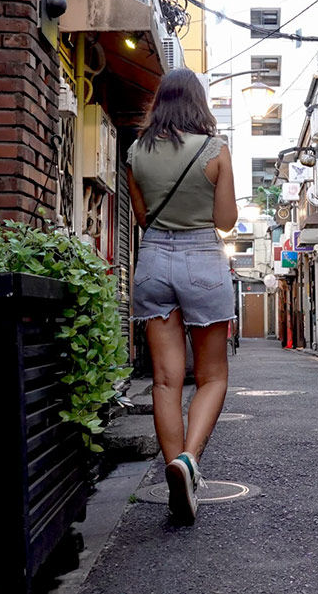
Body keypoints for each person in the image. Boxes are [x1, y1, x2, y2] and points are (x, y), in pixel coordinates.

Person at [127, 68, 238, 524]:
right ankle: (189, 461)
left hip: (153, 261)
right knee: (211, 376)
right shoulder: (215, 150)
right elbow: (227, 220)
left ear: (160, 101)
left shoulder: (136, 152)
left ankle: (177, 472)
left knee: (166, 381)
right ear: (198, 102)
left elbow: (140, 217)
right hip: (202, 261)